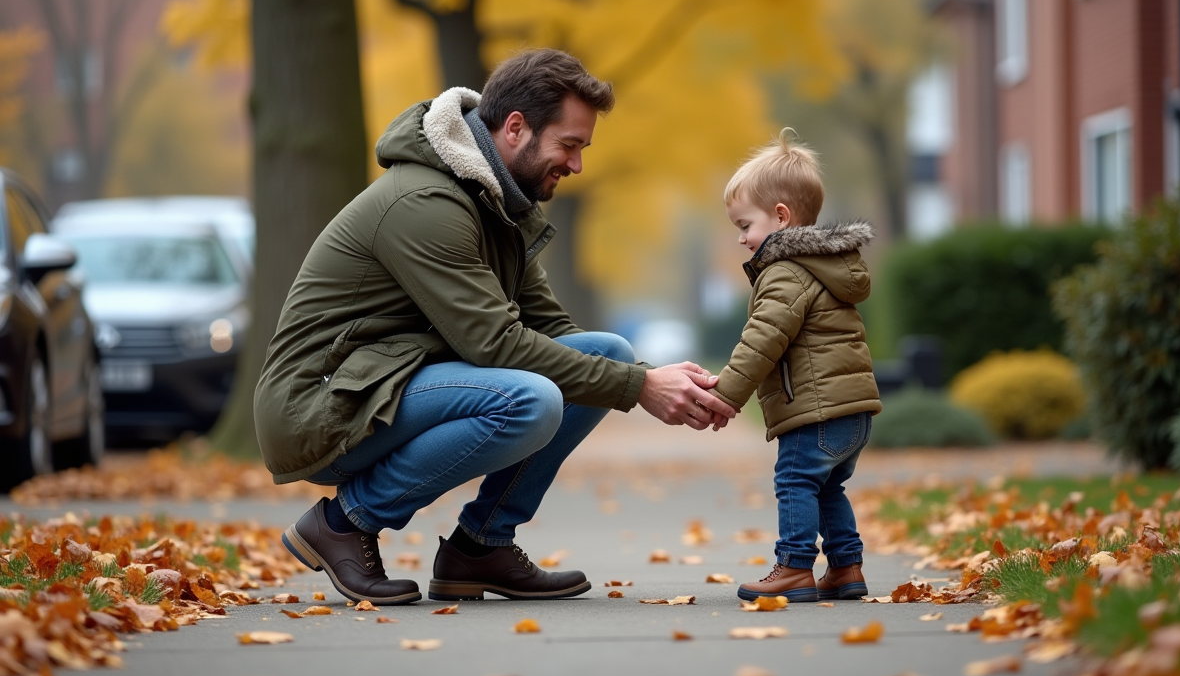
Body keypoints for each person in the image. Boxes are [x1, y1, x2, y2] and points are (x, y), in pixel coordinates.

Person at [253, 48, 736, 606]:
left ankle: (480, 546)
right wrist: (642, 390)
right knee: (530, 400)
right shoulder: (426, 203)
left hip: (385, 384)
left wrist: (653, 378)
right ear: (514, 129)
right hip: (321, 405)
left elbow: (552, 330)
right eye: (570, 145)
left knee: (611, 352)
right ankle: (344, 522)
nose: (577, 165)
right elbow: (495, 343)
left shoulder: (497, 202)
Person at [708, 129, 881, 603]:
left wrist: (725, 395)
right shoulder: (825, 266)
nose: (741, 238)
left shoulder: (785, 271)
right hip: (851, 409)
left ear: (780, 217)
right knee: (828, 491)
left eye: (745, 225)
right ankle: (847, 569)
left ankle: (794, 567)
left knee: (795, 482)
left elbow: (762, 340)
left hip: (817, 409)